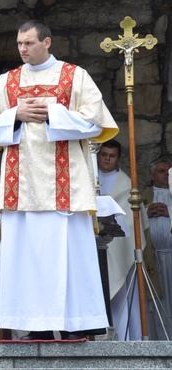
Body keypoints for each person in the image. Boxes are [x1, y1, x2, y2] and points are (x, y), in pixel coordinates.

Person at [0, 20, 118, 340]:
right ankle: (35, 325)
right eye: (19, 44)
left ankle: (76, 324)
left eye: (29, 43)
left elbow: (96, 122)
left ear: (47, 42)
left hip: (65, 187)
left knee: (70, 257)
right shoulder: (8, 81)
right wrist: (15, 115)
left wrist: (53, 112)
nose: (23, 49)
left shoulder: (74, 76)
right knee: (28, 258)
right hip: (22, 186)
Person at [96, 140, 144, 340]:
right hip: (93, 247)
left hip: (118, 248)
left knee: (121, 294)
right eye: (104, 154)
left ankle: (124, 338)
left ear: (118, 158)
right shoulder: (87, 179)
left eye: (112, 155)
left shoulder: (127, 185)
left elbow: (136, 223)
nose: (107, 159)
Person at [142, 156, 172, 338]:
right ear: (152, 176)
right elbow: (132, 220)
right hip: (152, 258)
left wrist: (169, 211)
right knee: (157, 302)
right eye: (161, 171)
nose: (166, 176)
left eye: (169, 172)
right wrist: (146, 213)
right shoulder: (144, 195)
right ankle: (160, 338)